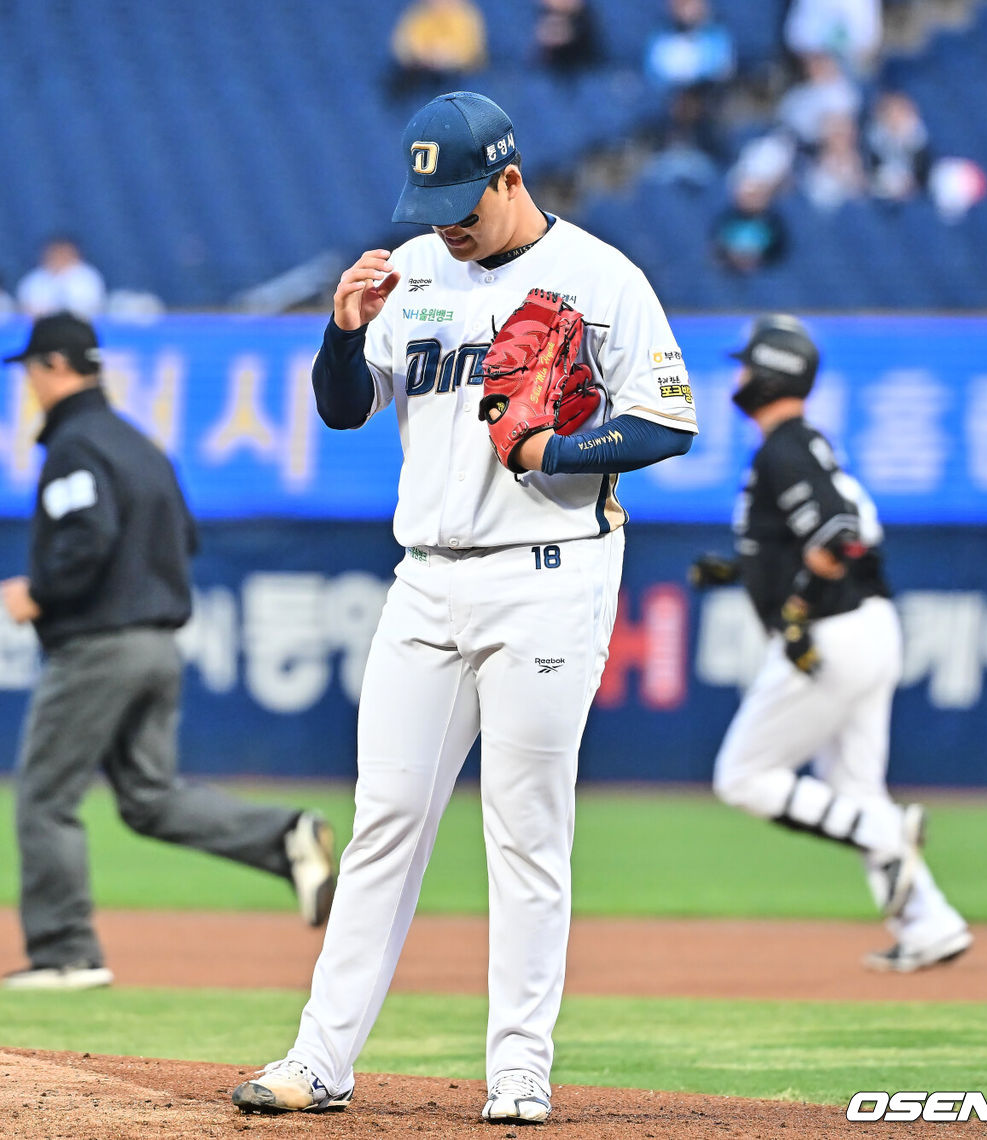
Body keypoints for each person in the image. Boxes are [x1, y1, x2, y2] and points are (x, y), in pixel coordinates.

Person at [231, 90, 699, 1123]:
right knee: (385, 821)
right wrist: (342, 336)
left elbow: (668, 421)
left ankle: (519, 1068)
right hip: (426, 578)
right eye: (430, 204)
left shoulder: (601, 277)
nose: (446, 223)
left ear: (510, 178)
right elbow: (344, 409)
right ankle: (320, 1060)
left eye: (462, 203)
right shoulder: (414, 274)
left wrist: (559, 450)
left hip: (549, 572)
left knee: (526, 827)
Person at [0, 312, 338, 991]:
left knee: (43, 798)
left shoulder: (75, 444)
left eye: (32, 369)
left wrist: (40, 590)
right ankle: (284, 836)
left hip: (99, 647)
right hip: (157, 645)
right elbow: (184, 538)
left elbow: (87, 535)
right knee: (149, 798)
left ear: (56, 367)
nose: (28, 384)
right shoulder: (140, 444)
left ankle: (67, 953)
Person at [689, 314, 972, 973]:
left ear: (770, 373)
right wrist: (743, 570)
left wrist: (796, 609)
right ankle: (930, 924)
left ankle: (886, 833)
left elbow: (838, 534)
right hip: (868, 626)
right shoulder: (804, 443)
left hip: (831, 633)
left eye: (746, 364)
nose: (738, 376)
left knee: (743, 777)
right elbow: (821, 537)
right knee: (853, 783)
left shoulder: (784, 448)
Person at [387, 0, 488, 100]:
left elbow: (472, 51)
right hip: (420, 71)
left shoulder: (465, 16)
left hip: (455, 75)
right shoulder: (417, 14)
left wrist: (447, 56)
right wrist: (423, 55)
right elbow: (402, 46)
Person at [16, 236, 107, 319]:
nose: (59, 257)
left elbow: (94, 306)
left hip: (81, 326)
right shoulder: (34, 279)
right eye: (55, 253)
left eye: (63, 253)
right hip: (42, 326)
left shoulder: (88, 277)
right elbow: (25, 307)